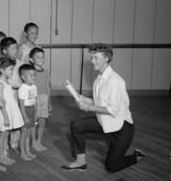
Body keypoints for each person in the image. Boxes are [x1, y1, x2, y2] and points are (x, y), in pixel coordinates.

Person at [61, 44, 145, 172]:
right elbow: (101, 102)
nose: (92, 61)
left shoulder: (115, 81)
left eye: (95, 58)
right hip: (104, 122)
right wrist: (83, 98)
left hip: (122, 129)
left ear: (106, 58)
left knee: (111, 167)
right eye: (92, 58)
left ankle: (136, 156)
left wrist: (89, 107)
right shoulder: (99, 79)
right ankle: (80, 161)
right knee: (76, 125)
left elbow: (113, 110)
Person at [0, 57, 24, 165]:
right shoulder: (0, 83)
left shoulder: (7, 81)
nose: (12, 72)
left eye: (13, 69)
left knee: (5, 134)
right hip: (4, 112)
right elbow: (1, 101)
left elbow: (12, 89)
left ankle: (4, 153)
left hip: (8, 110)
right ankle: (1, 157)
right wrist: (6, 117)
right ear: (2, 70)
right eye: (10, 69)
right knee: (2, 136)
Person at [0, 37, 23, 154]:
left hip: (16, 96)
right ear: (4, 51)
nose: (15, 51)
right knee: (5, 122)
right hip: (5, 97)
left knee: (16, 121)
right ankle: (4, 148)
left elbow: (22, 79)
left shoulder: (19, 63)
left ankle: (14, 144)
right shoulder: (1, 64)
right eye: (12, 48)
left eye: (16, 48)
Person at [29, 47, 52, 151]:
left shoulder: (46, 72)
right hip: (34, 99)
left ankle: (38, 141)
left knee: (42, 121)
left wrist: (49, 103)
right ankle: (33, 142)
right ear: (31, 60)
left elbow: (48, 87)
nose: (41, 59)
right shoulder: (31, 72)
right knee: (34, 121)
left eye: (42, 57)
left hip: (44, 98)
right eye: (38, 57)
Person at [18, 64, 37, 161]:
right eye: (31, 75)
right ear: (23, 77)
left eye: (34, 75)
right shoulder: (22, 88)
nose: (33, 77)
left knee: (29, 133)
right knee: (24, 134)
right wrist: (25, 117)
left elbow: (35, 101)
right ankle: (22, 153)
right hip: (25, 111)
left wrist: (36, 114)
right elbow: (21, 105)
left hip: (32, 111)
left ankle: (28, 151)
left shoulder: (34, 86)